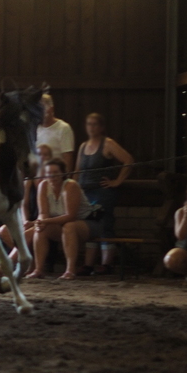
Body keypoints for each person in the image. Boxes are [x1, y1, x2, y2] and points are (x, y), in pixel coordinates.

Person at [75, 113, 134, 276]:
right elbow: (77, 170)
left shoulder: (107, 144)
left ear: (101, 127)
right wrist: (73, 188)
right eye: (88, 124)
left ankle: (106, 263)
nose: (91, 127)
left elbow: (128, 160)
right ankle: (88, 264)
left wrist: (117, 181)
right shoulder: (83, 146)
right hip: (85, 192)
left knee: (104, 224)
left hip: (102, 192)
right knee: (89, 226)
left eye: (94, 124)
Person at [27, 158, 102, 280]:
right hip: (59, 224)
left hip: (88, 222)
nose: (52, 175)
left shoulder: (70, 185)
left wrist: (45, 221)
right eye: (49, 173)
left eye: (56, 172)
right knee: (40, 229)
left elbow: (70, 216)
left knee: (69, 226)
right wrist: (41, 222)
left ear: (63, 173)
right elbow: (43, 213)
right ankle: (38, 269)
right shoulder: (43, 185)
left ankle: (70, 270)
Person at [0, 144, 53, 277]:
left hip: (48, 221)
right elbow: (24, 205)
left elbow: (47, 212)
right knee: (4, 230)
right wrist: (26, 220)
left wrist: (35, 222)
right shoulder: (29, 180)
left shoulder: (52, 179)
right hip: (32, 220)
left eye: (46, 155)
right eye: (40, 155)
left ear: (51, 158)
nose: (43, 158)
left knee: (26, 234)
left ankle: (6, 265)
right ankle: (29, 263)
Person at [36, 93, 75, 172]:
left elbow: (68, 159)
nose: (42, 112)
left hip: (56, 177)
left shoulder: (63, 128)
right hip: (39, 178)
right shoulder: (36, 128)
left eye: (44, 108)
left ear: (51, 109)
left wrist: (64, 179)